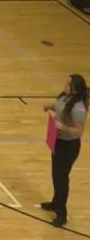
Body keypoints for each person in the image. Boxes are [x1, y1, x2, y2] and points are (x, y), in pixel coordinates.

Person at [43, 74, 87, 228]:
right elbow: (59, 105)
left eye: (68, 84)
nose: (65, 85)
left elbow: (78, 132)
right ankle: (55, 202)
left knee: (61, 178)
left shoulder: (78, 109)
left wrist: (62, 126)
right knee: (55, 175)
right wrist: (50, 106)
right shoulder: (64, 97)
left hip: (69, 147)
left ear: (75, 89)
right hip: (58, 142)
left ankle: (62, 214)